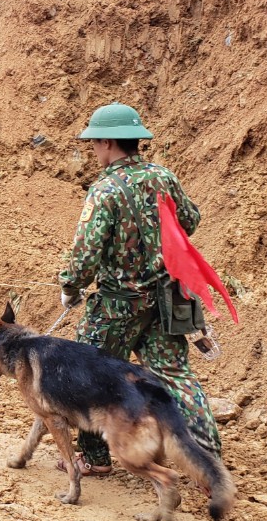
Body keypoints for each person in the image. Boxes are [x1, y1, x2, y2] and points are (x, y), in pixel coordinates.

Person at [57, 102, 220, 476]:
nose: (94, 150)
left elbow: (85, 255)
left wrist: (71, 288)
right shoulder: (163, 177)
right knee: (174, 374)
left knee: (89, 375)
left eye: (95, 143)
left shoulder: (104, 191)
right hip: (165, 301)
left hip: (116, 307)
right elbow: (190, 221)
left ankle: (95, 459)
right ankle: (206, 455)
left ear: (110, 142)